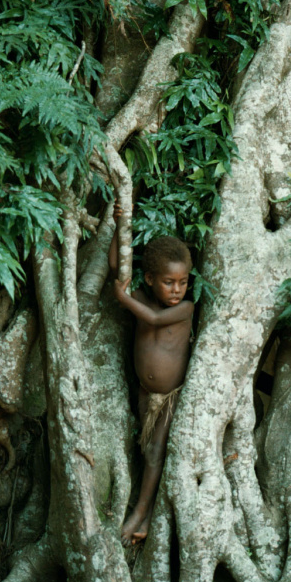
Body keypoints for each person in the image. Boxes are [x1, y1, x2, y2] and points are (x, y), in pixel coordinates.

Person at [109, 201, 194, 547]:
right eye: (168, 283)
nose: (176, 290)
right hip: (145, 393)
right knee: (147, 451)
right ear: (150, 280)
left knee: (157, 450)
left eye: (183, 282)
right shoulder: (143, 296)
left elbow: (154, 320)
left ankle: (139, 516)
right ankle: (141, 508)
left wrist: (122, 298)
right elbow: (118, 265)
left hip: (169, 397)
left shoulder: (185, 309)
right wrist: (118, 226)